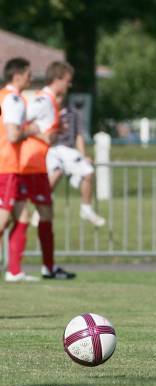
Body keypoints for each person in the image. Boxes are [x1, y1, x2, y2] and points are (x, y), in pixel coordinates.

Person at [16, 61, 76, 279]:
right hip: (29, 165)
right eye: (68, 81)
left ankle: (45, 267)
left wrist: (57, 131)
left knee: (41, 213)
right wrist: (43, 135)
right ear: (58, 79)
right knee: (16, 215)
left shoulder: (51, 101)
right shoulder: (42, 100)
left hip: (39, 164)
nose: (69, 86)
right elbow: (18, 125)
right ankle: (21, 268)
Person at [30, 99, 105, 227]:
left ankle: (86, 208)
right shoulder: (46, 112)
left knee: (87, 172)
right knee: (54, 177)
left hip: (67, 151)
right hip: (52, 150)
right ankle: (40, 209)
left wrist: (83, 155)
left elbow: (78, 136)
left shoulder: (73, 113)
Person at [0, 58, 37, 282]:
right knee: (2, 220)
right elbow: (13, 135)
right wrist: (31, 130)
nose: (31, 78)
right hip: (7, 166)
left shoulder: (3, 96)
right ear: (17, 75)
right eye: (28, 74)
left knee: (23, 215)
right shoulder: (14, 99)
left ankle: (14, 271)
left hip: (11, 166)